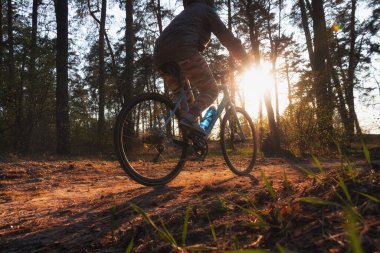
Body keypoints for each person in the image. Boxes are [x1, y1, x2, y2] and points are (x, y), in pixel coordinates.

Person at [154, 0, 250, 133]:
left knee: (185, 103)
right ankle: (189, 119)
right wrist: (246, 60)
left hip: (160, 55)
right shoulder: (205, 9)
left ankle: (188, 145)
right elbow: (227, 37)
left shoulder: (185, 14)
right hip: (184, 49)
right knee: (211, 90)